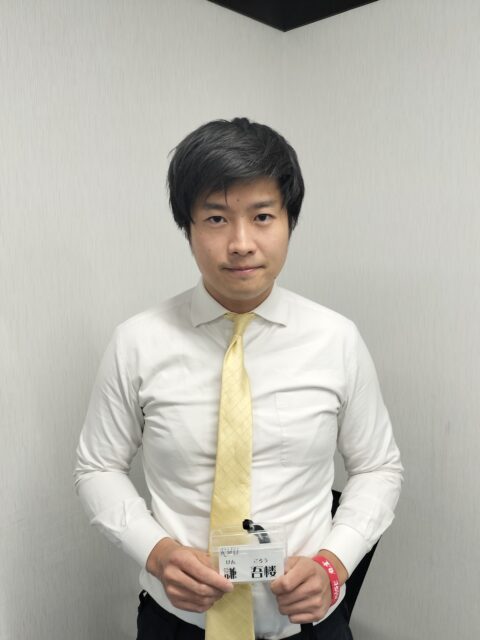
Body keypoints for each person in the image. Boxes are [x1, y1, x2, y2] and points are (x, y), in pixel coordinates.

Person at [74, 117, 403, 640]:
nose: (241, 243)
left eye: (263, 216)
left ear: (289, 221)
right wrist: (158, 554)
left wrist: (334, 563)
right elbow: (97, 466)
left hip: (308, 623)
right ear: (187, 227)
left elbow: (378, 467)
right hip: (178, 622)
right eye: (216, 218)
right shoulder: (136, 342)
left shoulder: (337, 339)